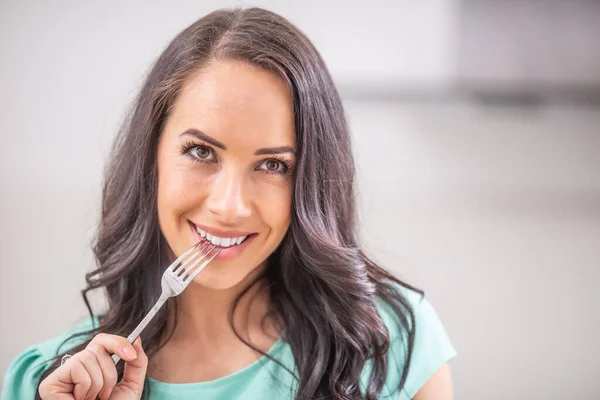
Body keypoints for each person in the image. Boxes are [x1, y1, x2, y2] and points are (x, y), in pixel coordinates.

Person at [2, 7, 457, 400]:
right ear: (151, 156)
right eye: (201, 152)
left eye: (274, 165)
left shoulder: (390, 342)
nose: (230, 206)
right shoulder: (47, 384)